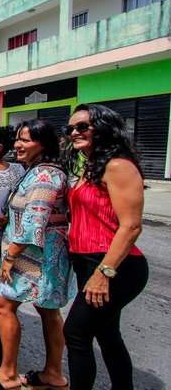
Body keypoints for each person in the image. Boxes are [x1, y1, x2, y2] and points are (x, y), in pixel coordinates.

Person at [0, 120, 72, 390]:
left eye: (27, 140)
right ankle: (53, 374)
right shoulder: (36, 170)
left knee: (1, 304)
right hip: (41, 253)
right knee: (48, 311)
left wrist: (10, 256)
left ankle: (7, 375)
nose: (18, 144)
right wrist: (7, 219)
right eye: (18, 139)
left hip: (34, 256)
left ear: (44, 144)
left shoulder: (45, 176)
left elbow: (35, 220)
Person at [62, 104, 148, 390]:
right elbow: (87, 214)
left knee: (75, 333)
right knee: (107, 333)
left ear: (104, 127)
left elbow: (131, 226)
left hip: (115, 265)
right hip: (89, 261)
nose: (74, 132)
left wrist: (104, 272)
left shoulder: (118, 165)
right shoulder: (91, 166)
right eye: (70, 128)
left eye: (82, 127)